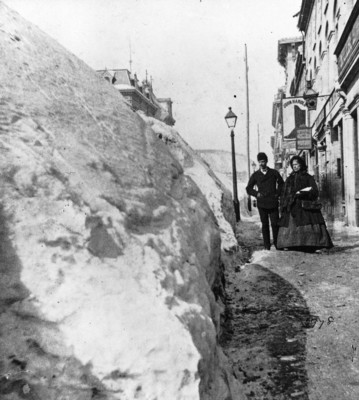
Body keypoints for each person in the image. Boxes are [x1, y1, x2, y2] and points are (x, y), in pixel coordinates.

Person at [277, 155, 333, 252]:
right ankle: (290, 244)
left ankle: (313, 245)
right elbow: (284, 192)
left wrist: (302, 193)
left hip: (305, 205)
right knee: (290, 224)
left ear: (301, 165)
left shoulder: (308, 177)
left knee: (309, 223)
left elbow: (315, 191)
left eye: (297, 164)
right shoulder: (289, 179)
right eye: (293, 165)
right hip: (292, 205)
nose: (295, 167)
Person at [246, 152, 284, 250]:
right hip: (262, 203)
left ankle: (277, 243)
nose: (262, 164)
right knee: (265, 224)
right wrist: (256, 193)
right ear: (258, 163)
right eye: (260, 162)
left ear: (266, 161)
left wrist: (277, 193)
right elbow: (248, 188)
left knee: (275, 224)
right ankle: (267, 245)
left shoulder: (274, 172)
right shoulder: (255, 175)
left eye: (263, 161)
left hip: (273, 202)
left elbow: (281, 184)